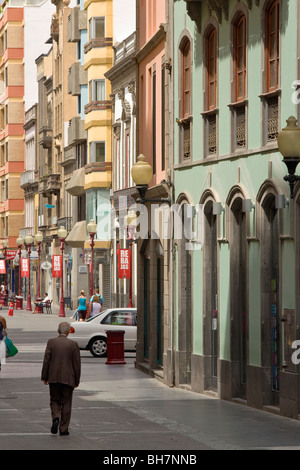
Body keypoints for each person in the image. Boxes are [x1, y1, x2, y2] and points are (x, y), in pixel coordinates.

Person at [41, 321, 81, 436]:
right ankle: (64, 429)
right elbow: (76, 365)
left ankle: (55, 417)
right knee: (67, 402)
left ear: (58, 330)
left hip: (53, 377)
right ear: (68, 332)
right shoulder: (73, 344)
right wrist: (76, 380)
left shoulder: (51, 342)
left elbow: (46, 360)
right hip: (68, 379)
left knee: (54, 400)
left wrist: (45, 376)